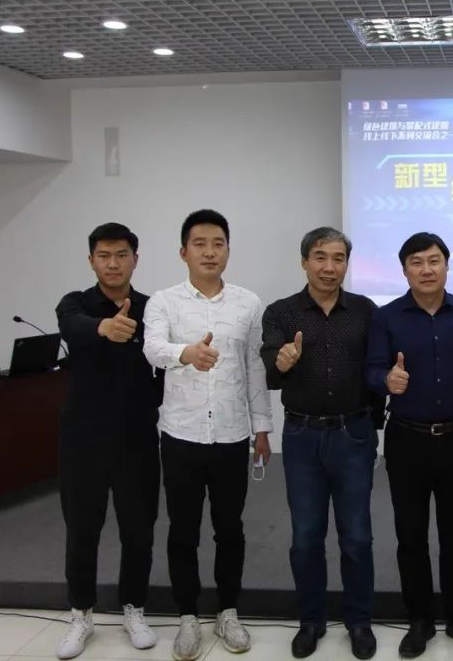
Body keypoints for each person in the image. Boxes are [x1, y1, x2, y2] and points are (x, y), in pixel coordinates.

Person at [143, 209, 273, 661]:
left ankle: (228, 611)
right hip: (181, 434)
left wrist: (262, 427)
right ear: (184, 252)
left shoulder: (248, 304)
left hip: (232, 435)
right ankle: (187, 616)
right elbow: (152, 348)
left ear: (228, 251)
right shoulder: (163, 302)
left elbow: (255, 368)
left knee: (229, 529)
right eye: (199, 244)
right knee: (182, 530)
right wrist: (187, 353)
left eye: (218, 244)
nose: (210, 252)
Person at [365, 232, 453, 659]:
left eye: (434, 260)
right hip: (406, 439)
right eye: (416, 262)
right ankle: (419, 620)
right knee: (411, 535)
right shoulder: (386, 317)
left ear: (446, 266)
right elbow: (371, 369)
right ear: (404, 270)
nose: (426, 269)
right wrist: (387, 379)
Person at [260, 227, 383, 660]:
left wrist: (374, 427)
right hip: (302, 436)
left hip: (354, 433)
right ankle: (311, 621)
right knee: (306, 537)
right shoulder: (280, 312)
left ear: (347, 263)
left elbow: (375, 371)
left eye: (338, 258)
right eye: (320, 257)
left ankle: (359, 622)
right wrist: (282, 360)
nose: (329, 267)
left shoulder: (365, 311)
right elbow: (271, 372)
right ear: (304, 262)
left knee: (357, 537)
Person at [54, 223, 164, 659]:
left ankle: (134, 608)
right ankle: (81, 613)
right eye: (104, 255)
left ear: (135, 259)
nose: (113, 263)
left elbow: (165, 360)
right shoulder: (75, 303)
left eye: (121, 255)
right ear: (91, 260)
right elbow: (73, 327)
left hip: (137, 438)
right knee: (83, 528)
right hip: (83, 439)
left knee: (138, 529)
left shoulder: (153, 308)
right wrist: (104, 327)